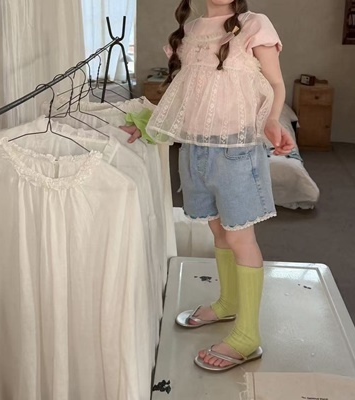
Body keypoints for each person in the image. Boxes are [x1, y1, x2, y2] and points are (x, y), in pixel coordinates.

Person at [122, 0, 295, 372]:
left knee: (240, 238)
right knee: (217, 232)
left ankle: (247, 336)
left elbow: (276, 84)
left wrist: (272, 120)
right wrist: (148, 125)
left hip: (236, 150)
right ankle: (227, 303)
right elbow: (183, 95)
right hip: (194, 150)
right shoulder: (189, 31)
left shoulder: (253, 24)